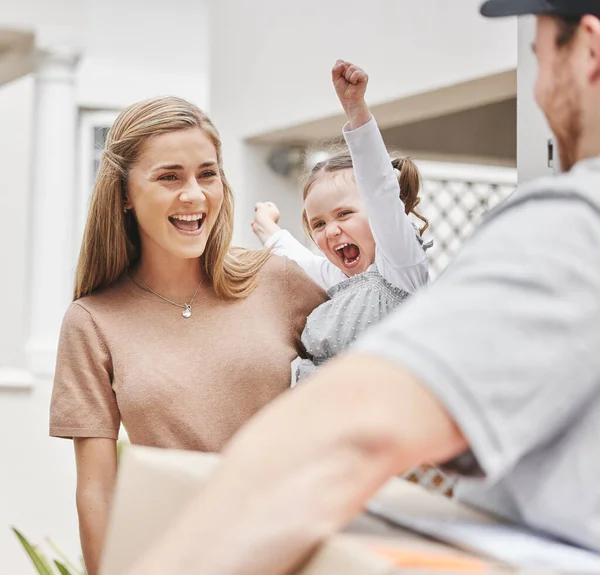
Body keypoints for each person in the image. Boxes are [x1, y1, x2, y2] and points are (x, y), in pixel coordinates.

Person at [126, 3, 600, 574]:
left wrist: (357, 117)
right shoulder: (341, 281)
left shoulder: (569, 228)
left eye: (540, 59)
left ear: (590, 50)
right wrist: (273, 234)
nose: (540, 92)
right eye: (318, 224)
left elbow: (356, 431)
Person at [48, 96, 326, 575]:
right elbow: (97, 491)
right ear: (125, 194)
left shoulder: (279, 281)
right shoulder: (93, 321)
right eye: (169, 176)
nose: (195, 195)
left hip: (299, 549)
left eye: (208, 173)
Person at [252, 61, 432, 383]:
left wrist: (356, 109)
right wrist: (267, 226)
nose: (331, 230)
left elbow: (380, 190)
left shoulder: (400, 266)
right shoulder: (336, 277)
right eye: (318, 224)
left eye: (344, 214)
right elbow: (296, 258)